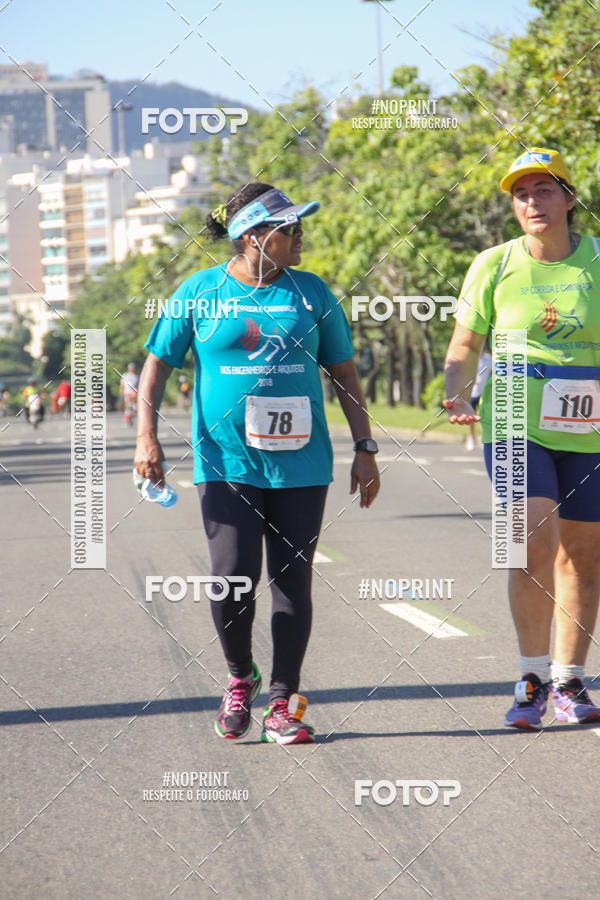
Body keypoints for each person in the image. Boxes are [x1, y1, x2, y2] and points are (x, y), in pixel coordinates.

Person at [135, 182, 380, 744]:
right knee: (232, 578)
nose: (301, 238)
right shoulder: (200, 292)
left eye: (299, 228)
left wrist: (366, 449)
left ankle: (282, 703)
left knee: (292, 582)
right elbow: (155, 368)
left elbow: (344, 375)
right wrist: (147, 437)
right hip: (226, 463)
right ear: (252, 237)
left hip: (302, 464)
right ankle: (241, 677)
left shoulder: (313, 294)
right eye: (289, 230)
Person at [444, 147, 600, 730]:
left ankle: (569, 680)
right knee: (529, 537)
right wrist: (456, 389)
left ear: (569, 197)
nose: (532, 202)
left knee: (583, 555)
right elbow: (465, 346)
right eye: (521, 193)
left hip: (589, 416)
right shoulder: (494, 264)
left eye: (544, 190)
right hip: (511, 408)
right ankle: (531, 678)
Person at [465, 340, 492, 451]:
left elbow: (492, 373)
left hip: (484, 392)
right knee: (471, 417)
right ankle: (471, 437)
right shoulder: (470, 359)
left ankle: (483, 438)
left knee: (483, 416)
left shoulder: (488, 359)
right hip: (472, 392)